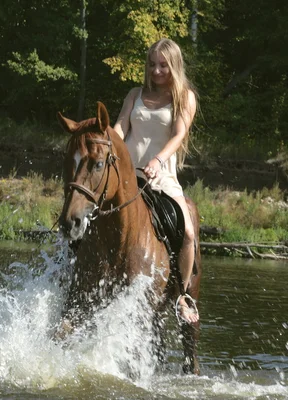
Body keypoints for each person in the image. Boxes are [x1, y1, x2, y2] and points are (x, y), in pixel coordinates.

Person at [113, 38, 199, 325]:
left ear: (173, 65)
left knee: (187, 233)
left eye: (163, 65)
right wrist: (110, 142)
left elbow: (178, 135)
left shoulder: (184, 97)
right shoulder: (134, 94)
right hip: (128, 176)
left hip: (161, 176)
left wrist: (158, 160)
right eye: (152, 64)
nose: (157, 70)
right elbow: (121, 125)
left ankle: (183, 295)